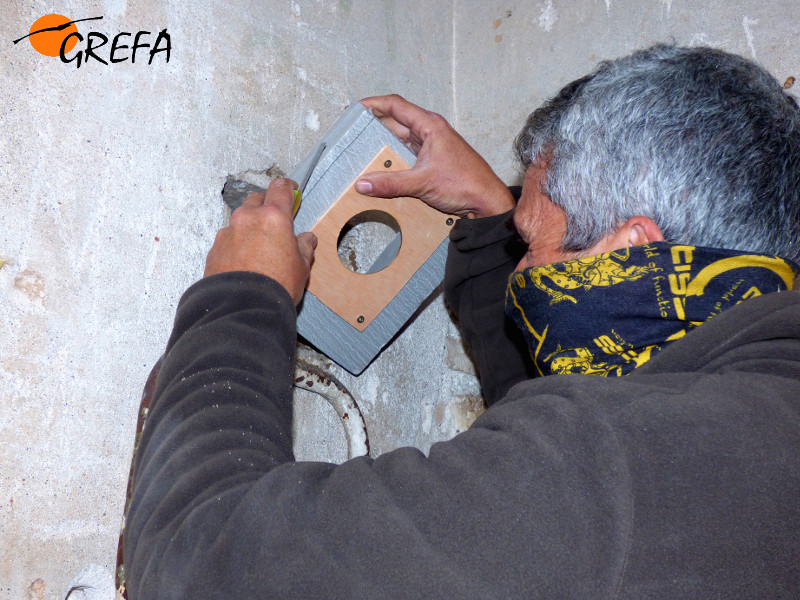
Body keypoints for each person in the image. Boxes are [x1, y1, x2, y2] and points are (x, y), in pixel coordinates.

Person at [124, 44, 800, 598]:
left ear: (631, 250)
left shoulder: (606, 466)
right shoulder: (753, 412)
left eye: (531, 244)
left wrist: (242, 298)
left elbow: (203, 561)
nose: (522, 268)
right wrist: (490, 224)